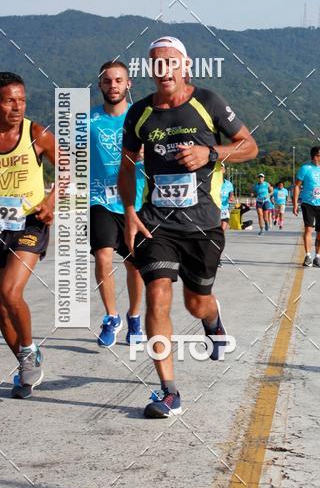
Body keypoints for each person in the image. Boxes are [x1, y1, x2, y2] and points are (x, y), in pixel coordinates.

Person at [119, 35, 258, 419]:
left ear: (185, 66)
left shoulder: (208, 102)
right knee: (157, 296)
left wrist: (210, 152)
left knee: (195, 303)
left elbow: (250, 146)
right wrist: (129, 209)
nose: (163, 70)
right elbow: (127, 166)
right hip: (156, 225)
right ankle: (169, 391)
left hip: (203, 225)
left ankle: (213, 321)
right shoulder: (140, 113)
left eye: (170, 62)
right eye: (156, 63)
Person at [0, 71, 56, 398]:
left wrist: (52, 199)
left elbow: (72, 167)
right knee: (1, 305)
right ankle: (26, 364)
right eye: (9, 100)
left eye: (22, 99)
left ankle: (28, 351)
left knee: (12, 293)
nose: (18, 107)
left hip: (30, 223)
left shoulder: (36, 134)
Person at [90, 60, 146, 348]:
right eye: (107, 80)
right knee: (102, 256)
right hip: (99, 199)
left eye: (118, 80)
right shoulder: (88, 121)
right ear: (100, 84)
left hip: (134, 202)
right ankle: (111, 317)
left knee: (134, 266)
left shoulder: (140, 120)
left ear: (128, 84)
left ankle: (134, 317)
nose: (113, 85)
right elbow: (71, 160)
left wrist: (146, 157)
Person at [293, 146, 320, 268]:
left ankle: (317, 257)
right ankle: (307, 256)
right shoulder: (305, 168)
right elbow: (297, 186)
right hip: (308, 204)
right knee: (308, 229)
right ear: (315, 157)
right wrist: (295, 203)